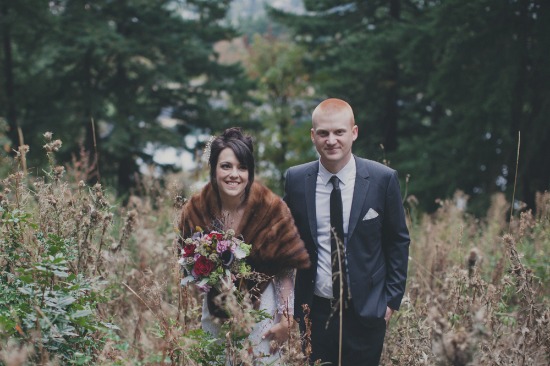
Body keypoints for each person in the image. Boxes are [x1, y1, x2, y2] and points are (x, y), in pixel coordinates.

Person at [284, 98, 410, 365]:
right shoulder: (296, 180)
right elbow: (281, 236)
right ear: (313, 136)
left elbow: (398, 240)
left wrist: (390, 302)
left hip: (367, 311)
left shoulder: (382, 179)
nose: (331, 140)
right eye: (323, 133)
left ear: (353, 132)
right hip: (314, 311)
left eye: (339, 132)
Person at [178, 127, 310, 363]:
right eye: (226, 166)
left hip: (263, 313)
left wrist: (286, 321)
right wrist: (209, 278)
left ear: (250, 172)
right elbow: (186, 261)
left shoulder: (272, 208)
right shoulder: (197, 208)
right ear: (214, 169)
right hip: (216, 310)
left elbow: (287, 270)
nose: (234, 174)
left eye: (242, 167)